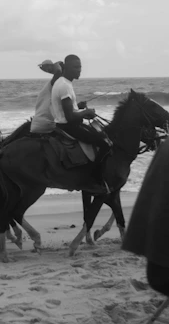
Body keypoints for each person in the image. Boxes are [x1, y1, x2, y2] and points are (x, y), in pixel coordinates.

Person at [122, 138, 169, 297]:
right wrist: (86, 113)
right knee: (103, 143)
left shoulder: (165, 145)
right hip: (163, 269)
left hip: (156, 268)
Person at [51, 54, 111, 164]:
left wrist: (78, 107)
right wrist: (86, 112)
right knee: (105, 143)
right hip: (69, 127)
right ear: (66, 68)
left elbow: (66, 110)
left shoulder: (62, 82)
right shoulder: (64, 85)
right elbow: (69, 117)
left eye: (80, 67)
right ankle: (96, 175)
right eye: (75, 67)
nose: (79, 70)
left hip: (62, 125)